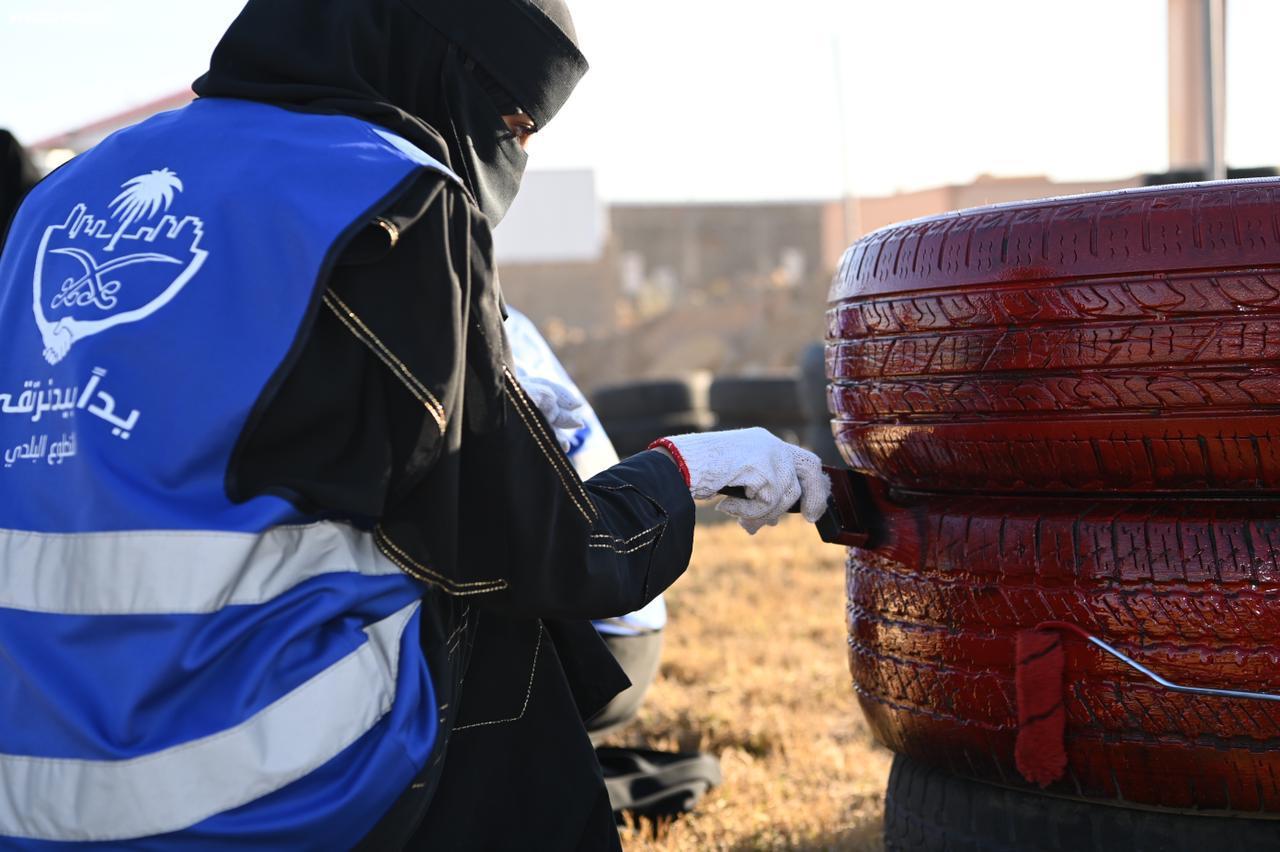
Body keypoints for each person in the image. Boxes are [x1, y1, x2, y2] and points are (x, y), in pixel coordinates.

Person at [0, 1, 831, 849]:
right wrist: (683, 473)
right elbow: (535, 548)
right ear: (442, 57)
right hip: (221, 786)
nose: (518, 153)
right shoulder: (384, 196)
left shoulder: (55, 200)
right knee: (500, 619)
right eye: (513, 119)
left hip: (26, 784)